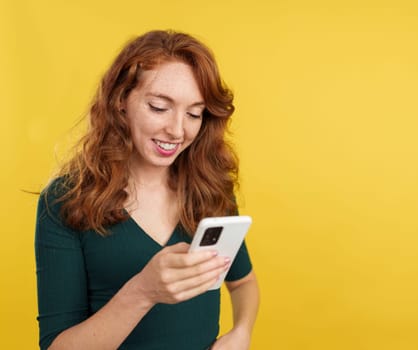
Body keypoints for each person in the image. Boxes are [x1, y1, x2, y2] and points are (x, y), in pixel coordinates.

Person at [34, 30, 259, 350]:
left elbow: (244, 283)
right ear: (121, 102)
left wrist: (242, 331)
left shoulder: (209, 191)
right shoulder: (64, 201)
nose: (178, 130)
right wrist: (143, 291)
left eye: (194, 113)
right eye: (158, 107)